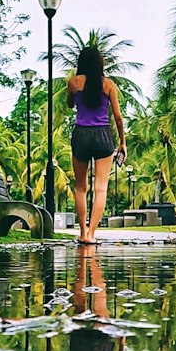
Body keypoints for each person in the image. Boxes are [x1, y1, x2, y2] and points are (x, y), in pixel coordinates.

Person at [67, 44, 126, 244]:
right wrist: (122, 143)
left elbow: (70, 104)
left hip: (81, 134)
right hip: (103, 135)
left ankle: (82, 233)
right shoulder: (108, 84)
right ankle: (92, 234)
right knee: (100, 188)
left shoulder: (74, 82)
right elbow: (118, 117)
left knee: (80, 188)